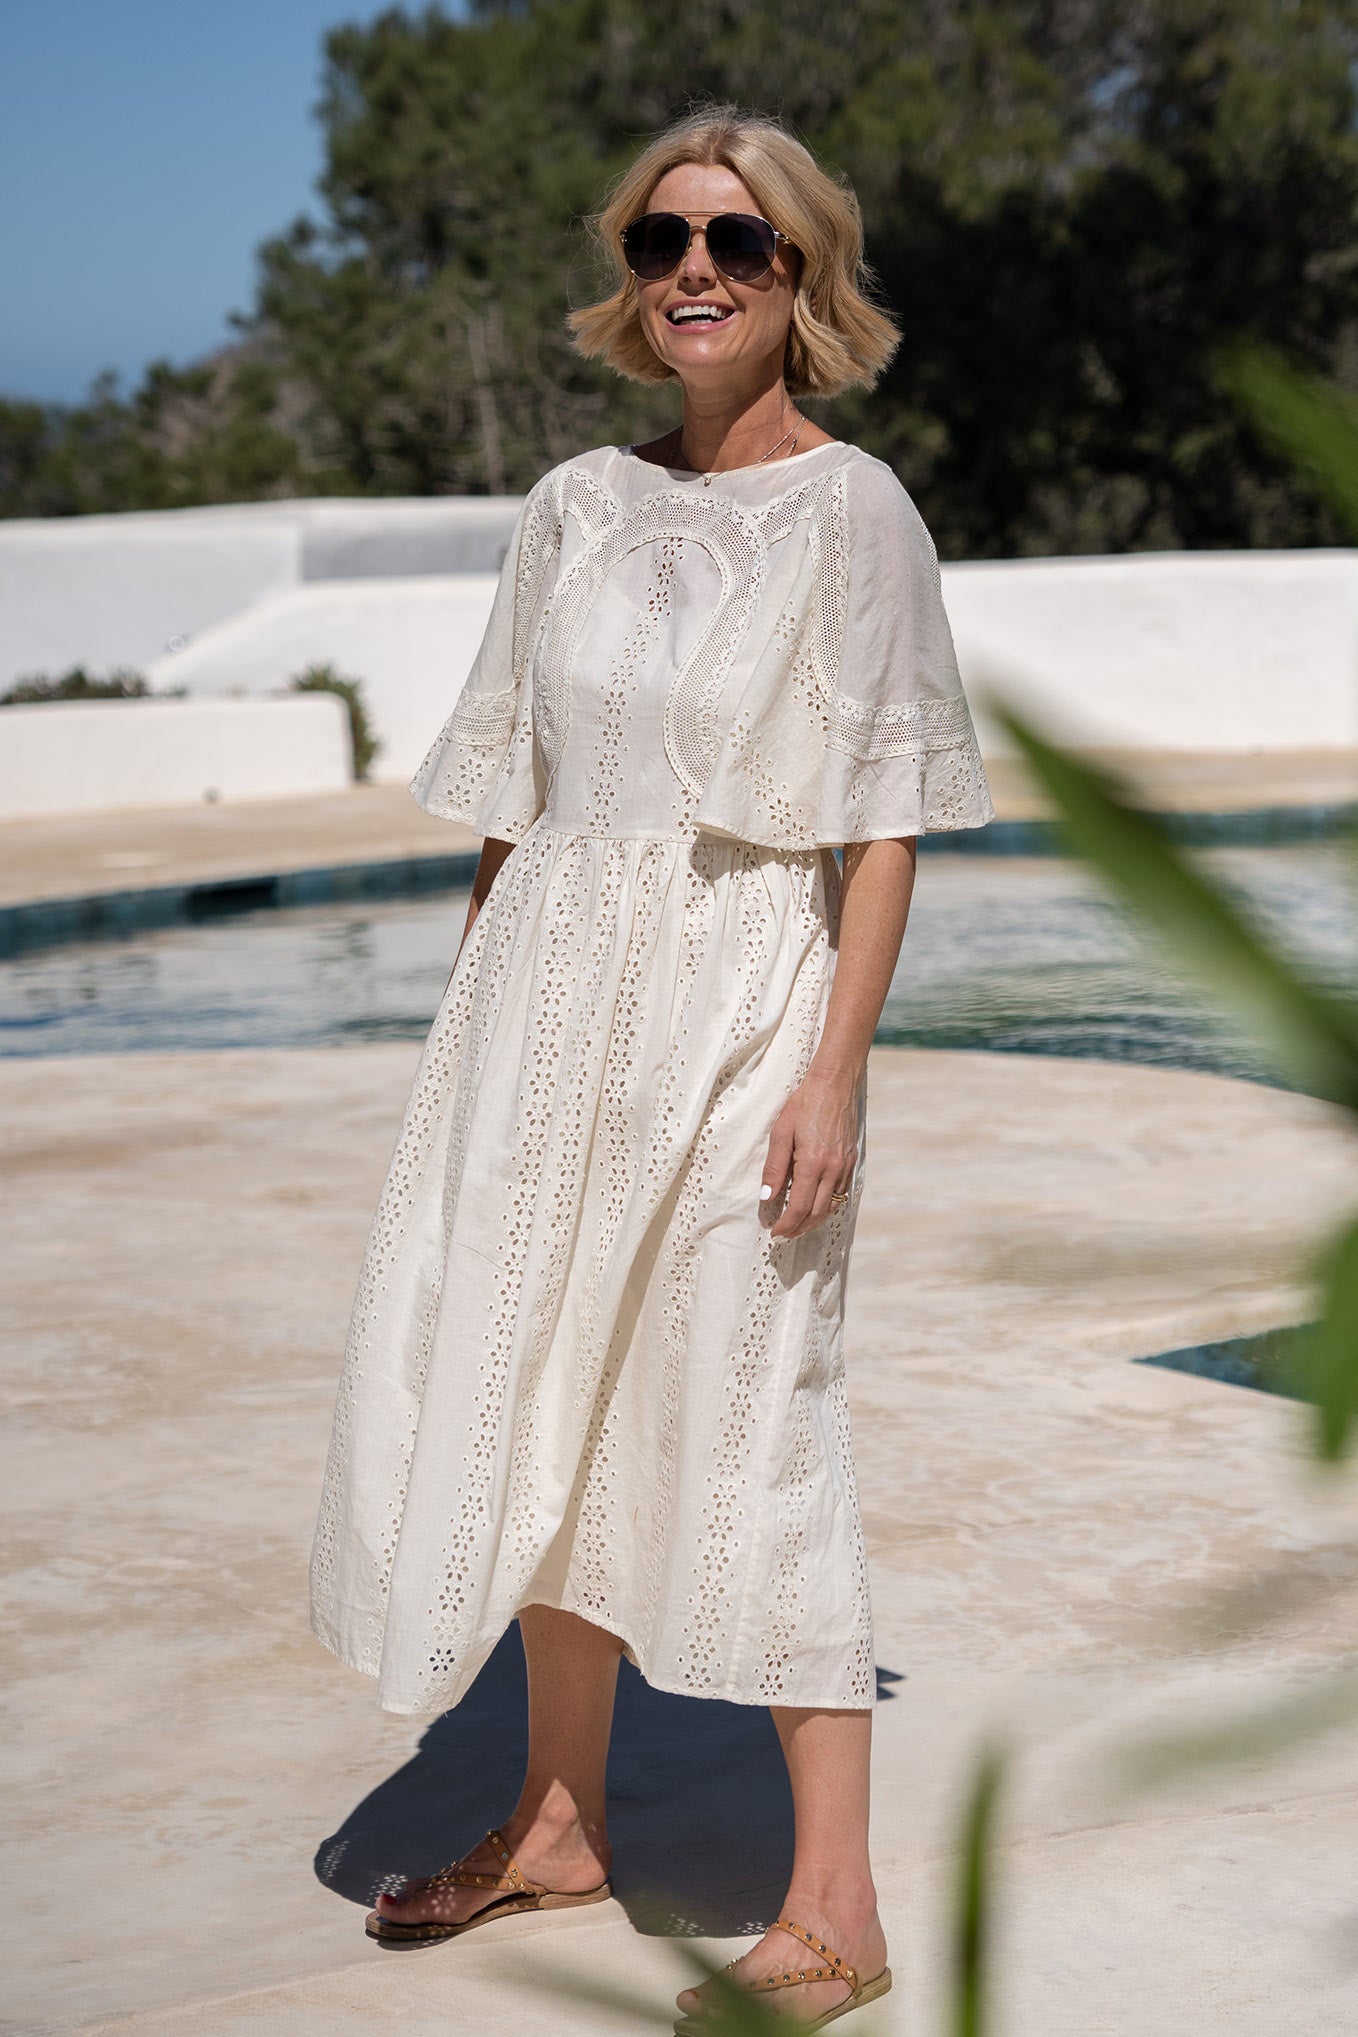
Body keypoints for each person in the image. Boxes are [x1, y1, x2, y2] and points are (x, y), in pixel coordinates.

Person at [308, 102, 994, 2032]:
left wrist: (832, 1075)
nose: (696, 269)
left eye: (738, 242)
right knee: (555, 1401)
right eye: (663, 240)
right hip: (546, 1009)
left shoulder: (854, 511)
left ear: (801, 277)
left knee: (753, 1419)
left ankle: (837, 1909)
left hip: (743, 1007)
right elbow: (511, 797)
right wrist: (471, 1044)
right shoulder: (570, 508)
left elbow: (880, 826)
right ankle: (556, 1824)